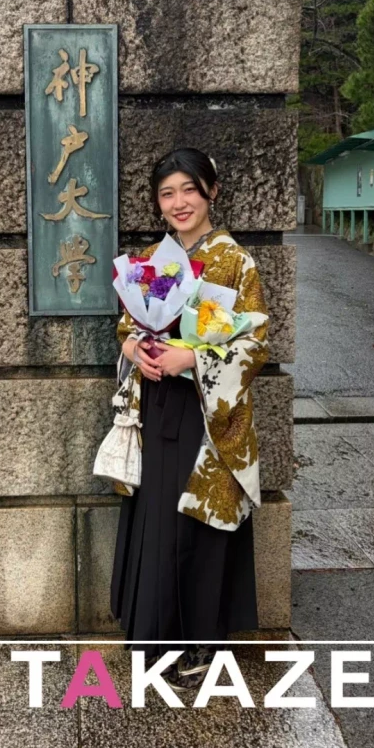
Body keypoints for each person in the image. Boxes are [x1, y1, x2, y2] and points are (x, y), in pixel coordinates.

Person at [109, 147, 270, 692]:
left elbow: (255, 345)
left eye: (189, 190)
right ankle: (156, 637)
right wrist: (135, 349)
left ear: (211, 192)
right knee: (157, 516)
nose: (179, 202)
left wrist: (193, 359)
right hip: (158, 404)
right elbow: (127, 326)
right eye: (167, 193)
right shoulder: (153, 260)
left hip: (208, 411)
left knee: (197, 522)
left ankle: (201, 641)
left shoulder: (236, 262)